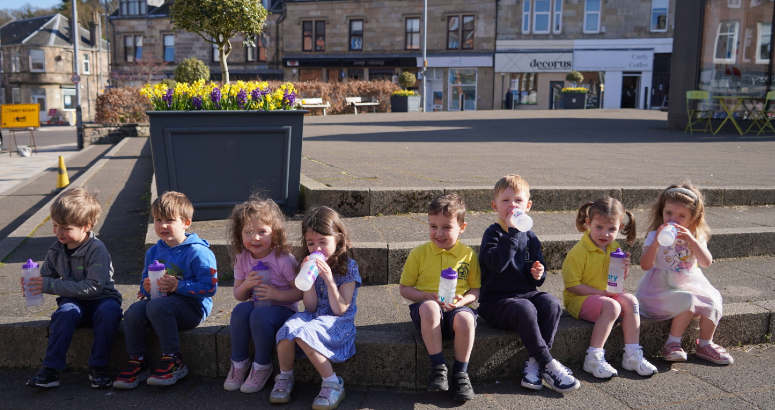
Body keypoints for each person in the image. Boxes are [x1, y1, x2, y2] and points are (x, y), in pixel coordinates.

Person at [478, 174, 580, 393]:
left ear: (528, 206)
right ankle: (548, 363)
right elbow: (497, 264)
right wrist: (513, 233)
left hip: (524, 295)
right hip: (496, 303)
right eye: (506, 201)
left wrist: (538, 274)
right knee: (524, 307)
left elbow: (537, 272)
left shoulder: (531, 237)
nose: (512, 205)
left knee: (551, 303)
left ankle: (534, 364)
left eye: (518, 201)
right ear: (495, 206)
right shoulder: (492, 234)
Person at [114, 191, 218, 389]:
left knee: (157, 307)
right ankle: (138, 361)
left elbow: (210, 288)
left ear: (186, 223)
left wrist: (178, 285)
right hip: (161, 304)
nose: (163, 225)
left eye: (170, 220)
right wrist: (145, 288)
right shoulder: (153, 251)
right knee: (133, 311)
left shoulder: (198, 252)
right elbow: (145, 281)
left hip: (192, 308)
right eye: (158, 220)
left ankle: (174, 360)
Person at [23, 188, 123, 389]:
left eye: (65, 228)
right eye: (55, 225)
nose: (58, 232)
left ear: (86, 226)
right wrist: (33, 281)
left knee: (108, 313)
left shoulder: (97, 249)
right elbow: (47, 277)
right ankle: (51, 369)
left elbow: (94, 287)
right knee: (64, 313)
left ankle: (99, 366)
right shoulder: (55, 249)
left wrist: (49, 285)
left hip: (101, 300)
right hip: (73, 301)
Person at [270, 206, 361, 410]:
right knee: (287, 331)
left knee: (304, 334)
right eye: (311, 243)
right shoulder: (309, 264)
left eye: (323, 242)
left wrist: (329, 281)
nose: (316, 249)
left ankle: (332, 382)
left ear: (337, 238)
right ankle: (285, 376)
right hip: (314, 316)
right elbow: (310, 307)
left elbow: (340, 310)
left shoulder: (349, 267)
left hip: (338, 323)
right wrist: (307, 280)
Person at [635, 183, 733, 365]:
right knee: (688, 300)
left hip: (689, 281)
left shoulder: (696, 236)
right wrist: (656, 242)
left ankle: (705, 344)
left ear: (693, 218)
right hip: (659, 288)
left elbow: (706, 263)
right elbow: (645, 265)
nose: (674, 220)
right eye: (669, 213)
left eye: (682, 216)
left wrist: (693, 241)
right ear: (662, 212)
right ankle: (672, 344)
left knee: (713, 299)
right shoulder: (654, 235)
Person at [562, 197, 658, 380]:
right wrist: (603, 294)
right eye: (599, 227)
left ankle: (632, 354)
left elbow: (616, 282)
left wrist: (625, 269)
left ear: (620, 227)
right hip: (578, 299)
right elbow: (572, 287)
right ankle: (593, 357)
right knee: (612, 306)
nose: (605, 234)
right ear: (588, 223)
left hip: (604, 295)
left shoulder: (614, 247)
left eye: (611, 229)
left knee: (631, 300)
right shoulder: (579, 252)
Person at [399, 193, 480, 402]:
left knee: (466, 318)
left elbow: (475, 290)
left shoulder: (469, 255)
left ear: (462, 228)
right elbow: (405, 289)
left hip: (456, 310)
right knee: (430, 308)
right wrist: (426, 296)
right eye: (433, 226)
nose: (439, 233)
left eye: (446, 227)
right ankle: (438, 367)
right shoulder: (419, 253)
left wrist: (463, 301)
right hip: (427, 313)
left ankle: (461, 373)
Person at [223, 198, 301, 393]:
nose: (255, 238)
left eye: (261, 232)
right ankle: (239, 363)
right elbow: (239, 295)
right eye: (248, 232)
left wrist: (276, 294)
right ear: (239, 234)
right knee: (241, 310)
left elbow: (300, 292)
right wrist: (246, 285)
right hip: (258, 306)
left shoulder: (283, 259)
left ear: (274, 233)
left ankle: (262, 366)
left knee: (259, 315)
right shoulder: (243, 258)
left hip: (284, 310)